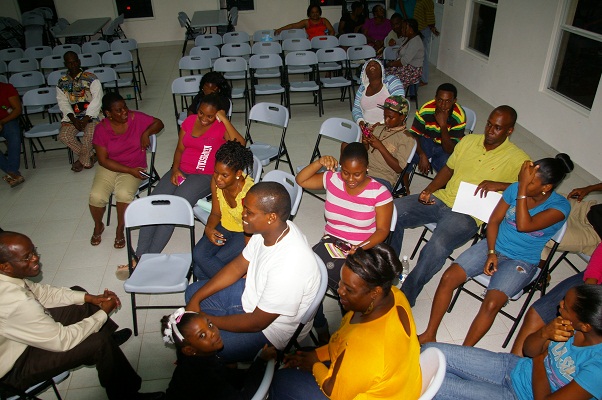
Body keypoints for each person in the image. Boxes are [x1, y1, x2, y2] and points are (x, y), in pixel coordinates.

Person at [418, 155, 573, 347]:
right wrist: (491, 251)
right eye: (525, 178)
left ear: (546, 188)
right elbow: (494, 221)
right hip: (494, 245)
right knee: (448, 278)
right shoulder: (517, 188)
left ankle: (462, 352)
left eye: (531, 181)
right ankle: (429, 334)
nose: (522, 183)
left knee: (491, 303)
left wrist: (521, 190)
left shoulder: (560, 207)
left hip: (522, 260)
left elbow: (524, 225)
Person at [391, 105, 530, 306]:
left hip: (467, 215)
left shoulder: (519, 159)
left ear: (510, 131)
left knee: (436, 246)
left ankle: (406, 296)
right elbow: (448, 169)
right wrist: (429, 189)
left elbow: (532, 188)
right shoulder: (469, 141)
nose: (490, 131)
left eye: (497, 128)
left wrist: (499, 185)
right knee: (392, 210)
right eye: (489, 124)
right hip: (442, 198)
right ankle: (390, 269)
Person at [0, 231, 164, 400]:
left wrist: (90, 298)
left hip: (21, 337)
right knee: (98, 343)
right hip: (12, 371)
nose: (35, 258)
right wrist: (103, 313)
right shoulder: (15, 302)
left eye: (34, 251)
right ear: (5, 266)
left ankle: (109, 341)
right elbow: (62, 339)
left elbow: (43, 293)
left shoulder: (7, 277)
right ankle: (126, 396)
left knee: (79, 296)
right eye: (27, 257)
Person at [185, 182, 321, 363]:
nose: (243, 215)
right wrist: (196, 300)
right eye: (244, 209)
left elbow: (256, 322)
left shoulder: (290, 266)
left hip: (270, 330)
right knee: (192, 293)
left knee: (208, 349)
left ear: (271, 217)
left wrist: (208, 320)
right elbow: (236, 267)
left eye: (249, 212)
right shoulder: (267, 231)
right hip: (252, 294)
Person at [269, 244, 422, 400]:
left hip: (366, 393)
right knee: (303, 353)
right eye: (341, 281)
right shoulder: (394, 295)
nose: (340, 290)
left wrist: (314, 366)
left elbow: (334, 392)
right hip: (390, 379)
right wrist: (316, 355)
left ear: (375, 292)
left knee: (281, 381)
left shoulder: (367, 348)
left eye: (349, 289)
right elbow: (341, 343)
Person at [118, 93, 245, 279]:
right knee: (154, 203)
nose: (203, 119)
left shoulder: (220, 127)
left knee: (174, 207)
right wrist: (175, 169)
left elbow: (240, 144)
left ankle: (146, 259)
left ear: (217, 114)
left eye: (210, 116)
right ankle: (139, 254)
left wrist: (224, 119)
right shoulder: (189, 121)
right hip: (181, 170)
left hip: (203, 175)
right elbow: (179, 149)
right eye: (201, 113)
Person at [423, 284, 602, 400]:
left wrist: (540, 360)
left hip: (518, 396)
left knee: (432, 386)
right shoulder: (567, 325)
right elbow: (529, 350)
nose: (560, 304)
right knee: (430, 351)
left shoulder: (597, 369)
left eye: (566, 307)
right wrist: (543, 332)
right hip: (513, 366)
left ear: (585, 326)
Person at [296, 142, 393, 342]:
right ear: (340, 166)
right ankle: (321, 324)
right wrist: (319, 162)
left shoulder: (379, 192)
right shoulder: (333, 179)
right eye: (346, 172)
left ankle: (348, 331)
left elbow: (382, 230)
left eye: (357, 174)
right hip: (331, 242)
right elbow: (301, 180)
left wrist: (361, 247)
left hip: (361, 248)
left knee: (347, 290)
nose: (350, 179)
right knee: (308, 279)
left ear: (367, 168)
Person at [88, 93, 164, 249]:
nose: (125, 113)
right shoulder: (101, 130)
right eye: (119, 110)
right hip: (110, 167)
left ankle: (120, 228)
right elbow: (103, 160)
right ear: (108, 113)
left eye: (125, 108)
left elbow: (159, 123)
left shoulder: (135, 118)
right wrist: (128, 170)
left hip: (135, 166)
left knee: (123, 194)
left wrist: (146, 132)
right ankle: (98, 225)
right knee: (96, 196)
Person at [511, 242, 602, 356]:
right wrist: (589, 287)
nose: (561, 304)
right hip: (594, 281)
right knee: (538, 312)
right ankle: (513, 365)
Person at [161, 308, 274, 399]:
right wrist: (260, 362)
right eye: (202, 335)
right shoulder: (205, 378)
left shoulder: (196, 358)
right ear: (189, 350)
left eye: (209, 325)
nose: (212, 333)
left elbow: (225, 376)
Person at [192, 141, 254, 280]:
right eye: (216, 172)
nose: (218, 179)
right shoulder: (216, 183)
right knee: (198, 255)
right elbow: (215, 213)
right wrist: (208, 228)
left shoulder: (248, 194)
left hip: (244, 234)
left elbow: (252, 231)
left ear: (238, 173)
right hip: (225, 226)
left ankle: (239, 284)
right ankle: (234, 280)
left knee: (200, 270)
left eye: (224, 175)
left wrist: (250, 261)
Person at [344, 95, 415, 193]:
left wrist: (380, 146)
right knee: (341, 186)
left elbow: (398, 168)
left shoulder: (406, 138)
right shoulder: (378, 128)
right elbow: (365, 153)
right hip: (364, 170)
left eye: (390, 117)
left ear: (402, 117)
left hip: (383, 177)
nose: (386, 120)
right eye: (385, 116)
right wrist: (365, 144)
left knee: (359, 193)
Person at [56, 51, 102, 172]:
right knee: (64, 136)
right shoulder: (62, 82)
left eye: (75, 62)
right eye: (69, 63)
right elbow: (63, 103)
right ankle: (90, 156)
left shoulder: (91, 78)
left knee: (89, 135)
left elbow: (97, 100)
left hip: (92, 116)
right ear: (65, 64)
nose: (73, 65)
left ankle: (83, 160)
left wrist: (86, 118)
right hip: (72, 118)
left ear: (79, 62)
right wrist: (74, 119)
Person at [409, 83, 466, 180]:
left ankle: (441, 191)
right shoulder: (426, 109)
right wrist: (422, 155)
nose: (443, 105)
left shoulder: (459, 116)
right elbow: (414, 135)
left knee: (449, 170)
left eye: (448, 101)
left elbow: (449, 149)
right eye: (440, 100)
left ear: (454, 101)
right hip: (427, 140)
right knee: (406, 154)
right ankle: (404, 186)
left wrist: (443, 125)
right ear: (435, 98)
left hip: (446, 146)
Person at [352, 59, 405, 130]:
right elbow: (356, 109)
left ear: (382, 70)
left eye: (376, 64)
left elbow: (400, 104)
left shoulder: (391, 81)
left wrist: (383, 124)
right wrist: (360, 122)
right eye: (368, 65)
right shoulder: (362, 88)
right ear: (365, 73)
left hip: (389, 127)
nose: (372, 65)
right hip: (367, 128)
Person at [385, 18, 425, 88]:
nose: (401, 29)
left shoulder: (415, 42)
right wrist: (394, 41)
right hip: (405, 67)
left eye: (404, 28)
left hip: (412, 71)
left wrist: (390, 64)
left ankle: (393, 94)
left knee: (389, 78)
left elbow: (404, 61)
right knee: (383, 73)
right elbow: (400, 41)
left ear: (411, 30)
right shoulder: (408, 38)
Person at [0, 81, 23, 187]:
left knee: (14, 135)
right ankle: (14, 174)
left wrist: (2, 122)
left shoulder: (6, 87)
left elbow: (17, 110)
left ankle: (12, 171)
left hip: (7, 120)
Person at [413, 0, 440, 85]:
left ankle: (424, 80)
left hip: (423, 31)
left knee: (423, 56)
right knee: (419, 56)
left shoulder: (427, 1)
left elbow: (430, 17)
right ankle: (418, 77)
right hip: (419, 31)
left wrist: (433, 28)